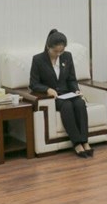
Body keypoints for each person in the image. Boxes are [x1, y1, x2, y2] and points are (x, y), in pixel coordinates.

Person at [29, 29, 93, 158]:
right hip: (53, 96)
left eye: (61, 51)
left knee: (80, 103)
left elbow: (71, 79)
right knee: (67, 106)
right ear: (48, 47)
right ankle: (77, 143)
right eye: (55, 51)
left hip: (68, 93)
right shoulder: (38, 60)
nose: (58, 54)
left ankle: (85, 141)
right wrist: (47, 89)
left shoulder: (67, 56)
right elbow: (33, 84)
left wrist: (76, 90)